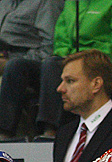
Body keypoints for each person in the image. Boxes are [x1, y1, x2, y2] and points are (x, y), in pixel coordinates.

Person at [0, 0, 112, 138]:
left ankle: (51, 131)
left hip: (105, 70)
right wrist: (71, 61)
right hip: (70, 66)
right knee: (16, 66)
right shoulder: (73, 2)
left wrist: (82, 61)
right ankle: (4, 132)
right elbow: (60, 41)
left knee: (52, 65)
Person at [0, 0, 65, 138]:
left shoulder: (47, 3)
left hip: (30, 63)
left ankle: (5, 135)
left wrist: (7, 63)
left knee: (14, 67)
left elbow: (49, 47)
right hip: (4, 57)